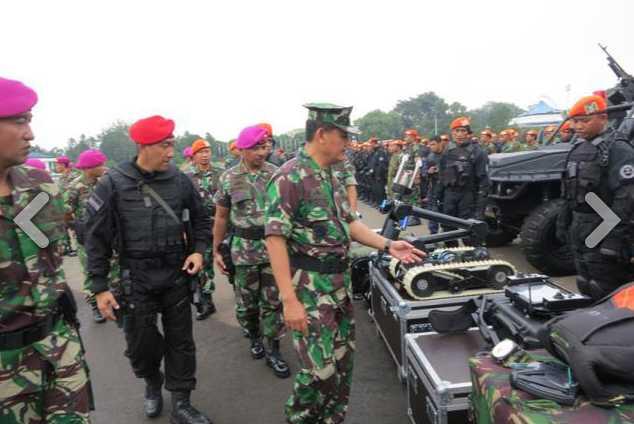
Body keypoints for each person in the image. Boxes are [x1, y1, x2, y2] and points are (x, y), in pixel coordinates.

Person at [265, 102, 424, 424]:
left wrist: (388, 244)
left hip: (338, 287)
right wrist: (288, 299)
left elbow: (349, 223)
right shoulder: (289, 178)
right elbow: (275, 239)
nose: (348, 143)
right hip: (308, 290)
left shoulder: (331, 176)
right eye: (343, 136)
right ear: (322, 134)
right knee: (317, 372)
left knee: (341, 366)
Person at [84, 115, 212, 423]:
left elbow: (201, 220)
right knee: (141, 344)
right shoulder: (113, 182)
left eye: (172, 144)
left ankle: (181, 401)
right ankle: (152, 383)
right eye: (165, 145)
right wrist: (99, 287)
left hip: (176, 274)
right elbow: (95, 237)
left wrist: (198, 251)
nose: (171, 152)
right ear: (144, 146)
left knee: (181, 341)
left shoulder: (181, 180)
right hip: (135, 278)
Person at [0, 76, 93, 422]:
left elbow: (47, 257)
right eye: (19, 120)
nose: (30, 134)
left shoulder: (39, 186)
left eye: (30, 120)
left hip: (59, 352)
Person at [212, 125, 290, 379]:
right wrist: (215, 249)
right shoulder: (229, 177)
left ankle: (273, 349)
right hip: (243, 251)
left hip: (272, 249)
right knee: (247, 304)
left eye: (264, 146)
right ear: (242, 150)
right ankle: (254, 336)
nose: (262, 152)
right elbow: (222, 216)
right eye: (256, 148)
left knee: (273, 302)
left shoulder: (276, 174)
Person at [556, 95, 634, 301]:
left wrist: (613, 240)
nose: (578, 126)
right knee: (584, 282)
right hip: (579, 224)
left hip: (604, 225)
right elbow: (568, 191)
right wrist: (563, 222)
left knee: (606, 287)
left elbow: (626, 199)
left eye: (584, 120)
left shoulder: (618, 148)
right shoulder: (578, 148)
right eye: (574, 121)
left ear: (603, 117)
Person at [65, 148, 112, 323]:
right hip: (87, 236)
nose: (104, 167)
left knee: (112, 266)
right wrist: (77, 226)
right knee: (90, 270)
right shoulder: (75, 187)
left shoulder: (105, 182)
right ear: (89, 167)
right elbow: (65, 211)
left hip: (107, 233)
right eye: (100, 164)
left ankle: (110, 297)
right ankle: (94, 305)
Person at [184, 138, 223, 320]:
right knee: (204, 266)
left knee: (231, 263)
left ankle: (245, 302)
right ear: (194, 155)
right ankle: (207, 302)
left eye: (207, 151)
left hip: (223, 226)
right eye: (201, 152)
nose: (205, 155)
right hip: (201, 228)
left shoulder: (221, 174)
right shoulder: (186, 177)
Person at [438, 117, 489, 246]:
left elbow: (483, 182)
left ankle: (473, 260)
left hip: (468, 197)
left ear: (469, 133)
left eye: (463, 131)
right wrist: (436, 199)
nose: (459, 134)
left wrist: (480, 210)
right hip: (449, 195)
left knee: (470, 232)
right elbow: (441, 177)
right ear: (452, 133)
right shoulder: (447, 152)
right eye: (456, 131)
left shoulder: (478, 153)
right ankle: (452, 259)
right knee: (448, 231)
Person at [56, 155, 80, 255]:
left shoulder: (73, 176)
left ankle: (80, 248)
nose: (56, 167)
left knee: (76, 228)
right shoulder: (61, 177)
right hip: (64, 207)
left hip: (73, 207)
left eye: (57, 165)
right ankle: (68, 248)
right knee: (63, 227)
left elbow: (74, 192)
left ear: (62, 165)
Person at [422, 136, 445, 234]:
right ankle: (433, 235)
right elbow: (423, 173)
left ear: (440, 143)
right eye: (430, 145)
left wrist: (442, 171)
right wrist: (428, 172)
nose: (431, 147)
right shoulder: (430, 157)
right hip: (433, 188)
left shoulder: (448, 155)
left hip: (446, 189)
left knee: (446, 214)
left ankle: (447, 234)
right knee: (432, 213)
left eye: (433, 144)